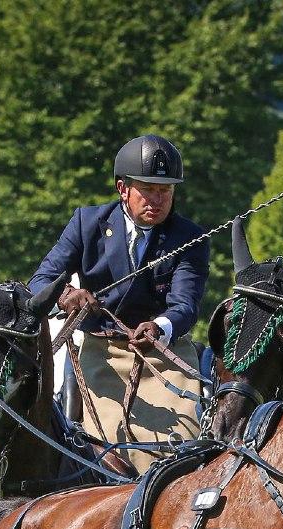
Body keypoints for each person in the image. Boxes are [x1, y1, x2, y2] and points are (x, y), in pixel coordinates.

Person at [30, 134, 209, 470]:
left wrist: (160, 325)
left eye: (165, 191)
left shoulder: (189, 238)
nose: (158, 199)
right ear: (122, 188)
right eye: (149, 189)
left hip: (164, 356)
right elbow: (40, 281)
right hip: (103, 355)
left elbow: (185, 304)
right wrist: (67, 295)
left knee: (181, 445)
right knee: (105, 452)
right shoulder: (86, 223)